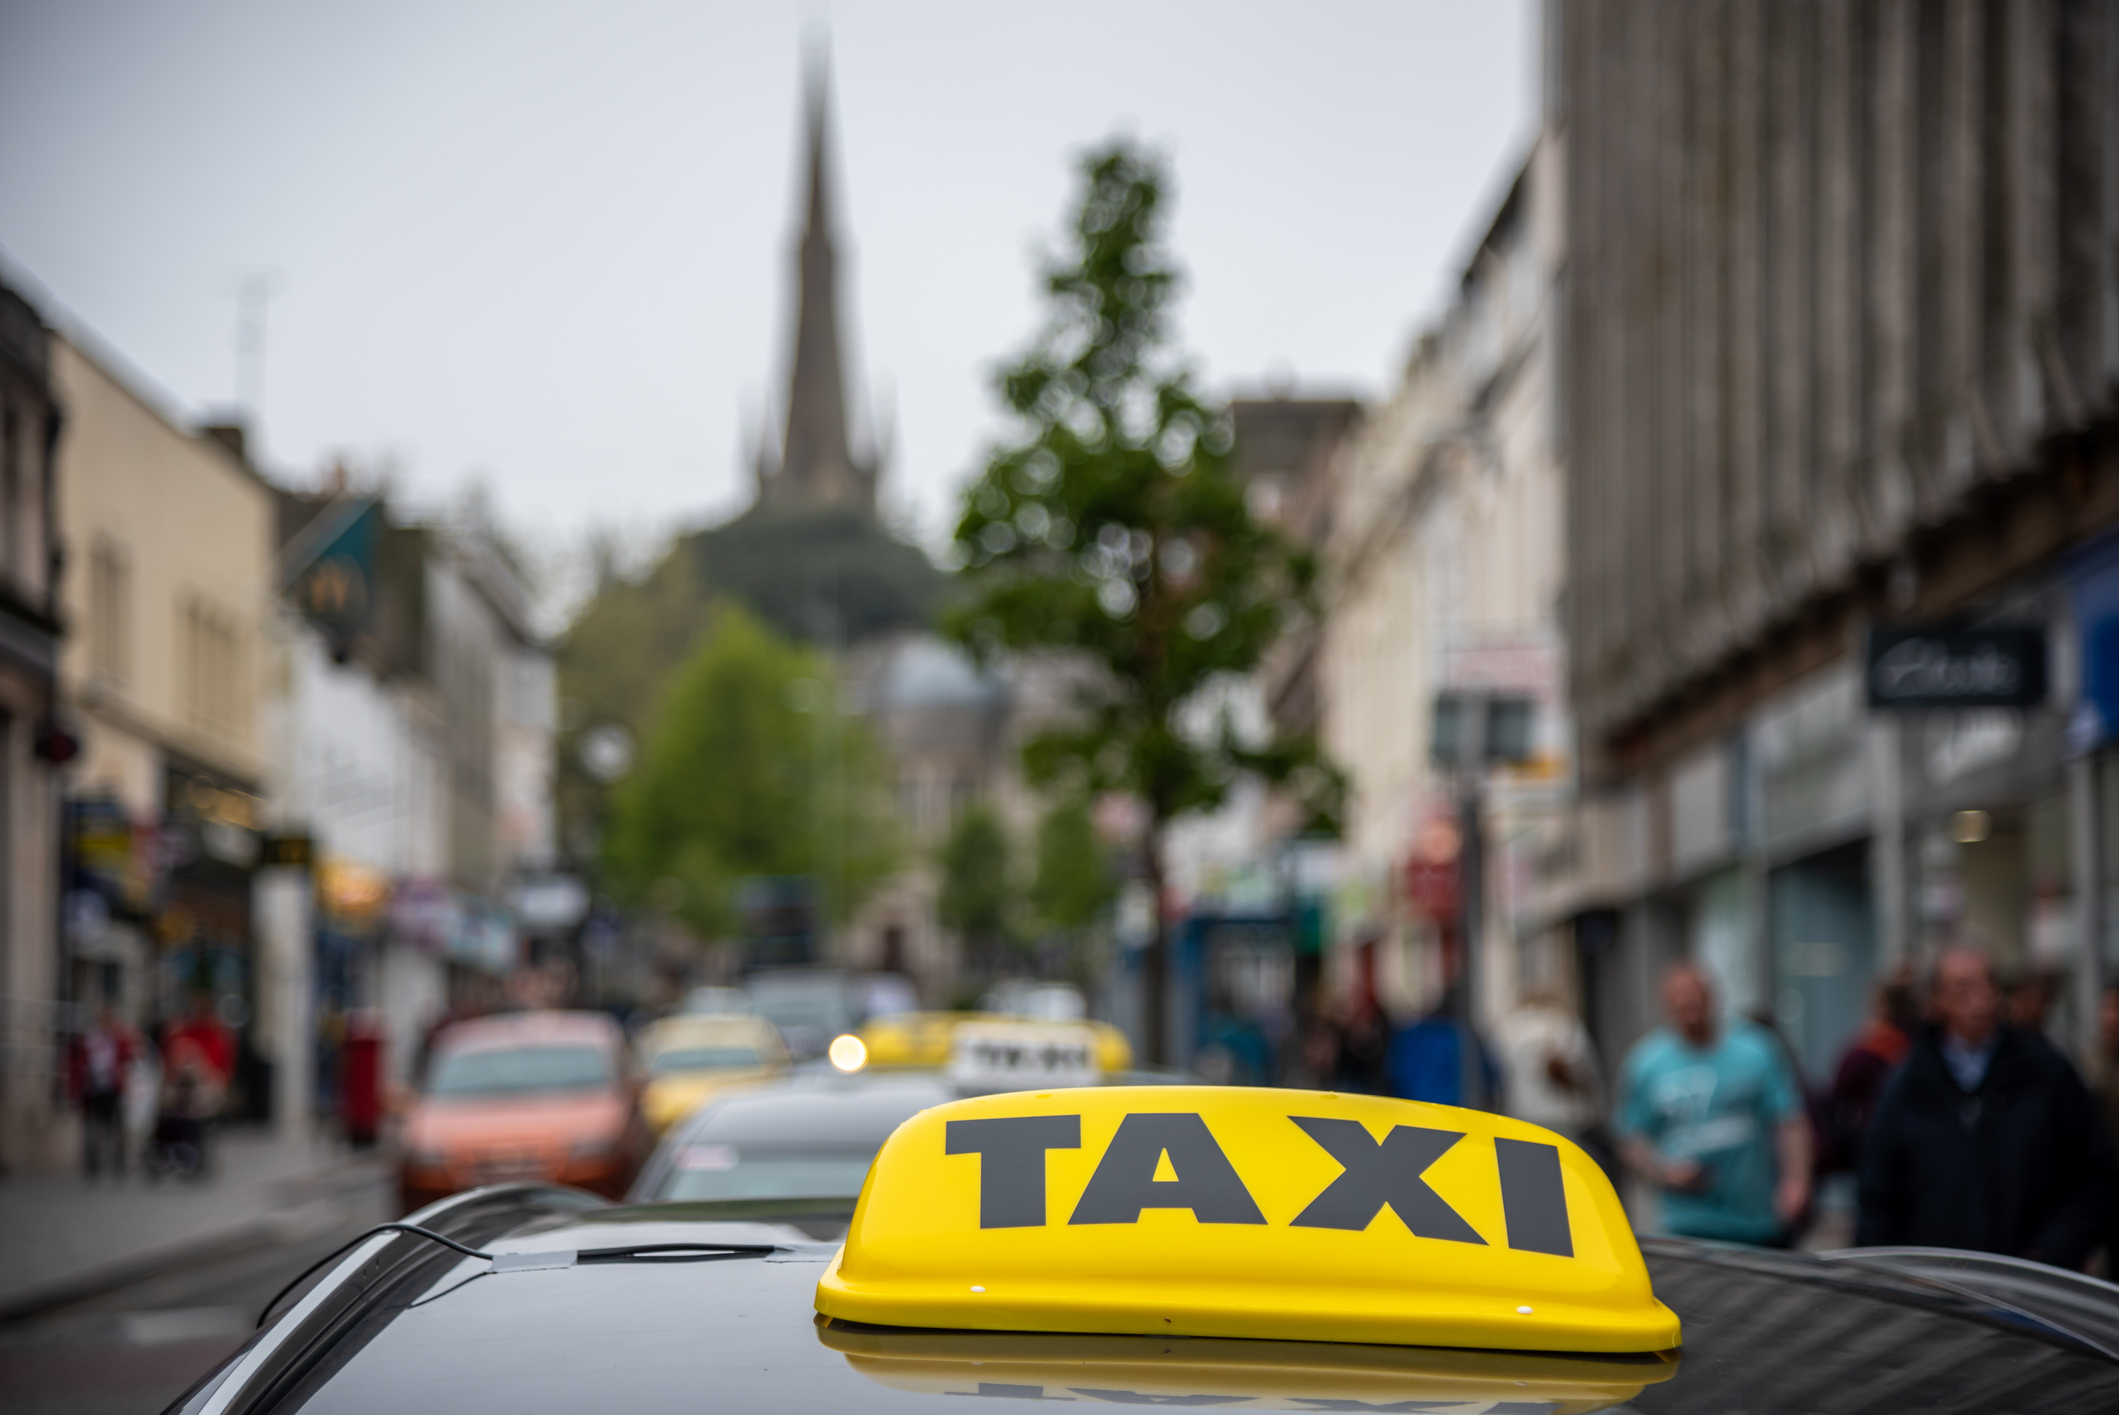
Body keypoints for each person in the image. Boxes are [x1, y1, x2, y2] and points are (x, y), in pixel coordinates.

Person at [1855, 948, 2118, 1269]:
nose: (1980, 1002)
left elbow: (2096, 1175)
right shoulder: (1906, 1087)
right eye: (1963, 990)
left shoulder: (2046, 1074)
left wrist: (2053, 1253)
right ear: (1935, 1001)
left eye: (1988, 986)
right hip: (1939, 1288)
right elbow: (1878, 1199)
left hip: (2036, 1286)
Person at [1616, 963, 1810, 1246]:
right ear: (1667, 1006)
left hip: (1754, 1220)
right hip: (1685, 1224)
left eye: (1696, 998)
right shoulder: (1646, 1063)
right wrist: (1664, 1173)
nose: (1689, 1008)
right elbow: (1629, 1139)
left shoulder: (1756, 1049)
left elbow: (1789, 1119)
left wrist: (1797, 1183)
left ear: (1712, 997)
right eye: (1680, 1002)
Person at [1496, 989, 1607, 1167]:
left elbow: (1497, 1079)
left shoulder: (1508, 1028)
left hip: (1521, 1121)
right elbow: (1586, 1075)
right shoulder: (1566, 1025)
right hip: (1563, 1121)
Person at [1822, 970, 1916, 1175]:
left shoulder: (1863, 1054)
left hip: (1873, 1148)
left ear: (1881, 1007)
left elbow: (1835, 1100)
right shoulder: (1923, 1049)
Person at [1387, 986, 1499, 1110]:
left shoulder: (1412, 1036)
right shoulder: (1461, 1034)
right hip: (1455, 1108)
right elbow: (1488, 1073)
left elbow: (1396, 1073)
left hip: (1417, 1107)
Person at [68, 1002, 138, 1178]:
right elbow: (79, 1063)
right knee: (92, 1129)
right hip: (93, 1089)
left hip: (113, 1089)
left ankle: (118, 1164)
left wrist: (126, 1084)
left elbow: (128, 1062)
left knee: (115, 1129)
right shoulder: (90, 1039)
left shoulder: (119, 1040)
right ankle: (92, 1165)